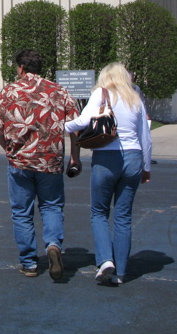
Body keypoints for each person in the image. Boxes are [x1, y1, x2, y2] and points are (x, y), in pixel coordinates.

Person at [0, 49, 81, 280]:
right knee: (51, 207)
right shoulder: (59, 91)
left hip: (20, 161)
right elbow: (75, 127)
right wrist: (75, 157)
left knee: (22, 212)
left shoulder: (10, 91)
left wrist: (8, 148)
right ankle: (53, 245)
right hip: (51, 161)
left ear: (21, 68)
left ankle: (29, 263)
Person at [65, 62, 152, 286]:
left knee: (99, 212)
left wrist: (60, 126)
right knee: (123, 216)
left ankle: (105, 261)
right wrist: (146, 167)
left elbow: (83, 122)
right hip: (133, 157)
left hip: (106, 157)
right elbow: (145, 136)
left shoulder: (101, 94)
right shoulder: (135, 99)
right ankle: (120, 272)